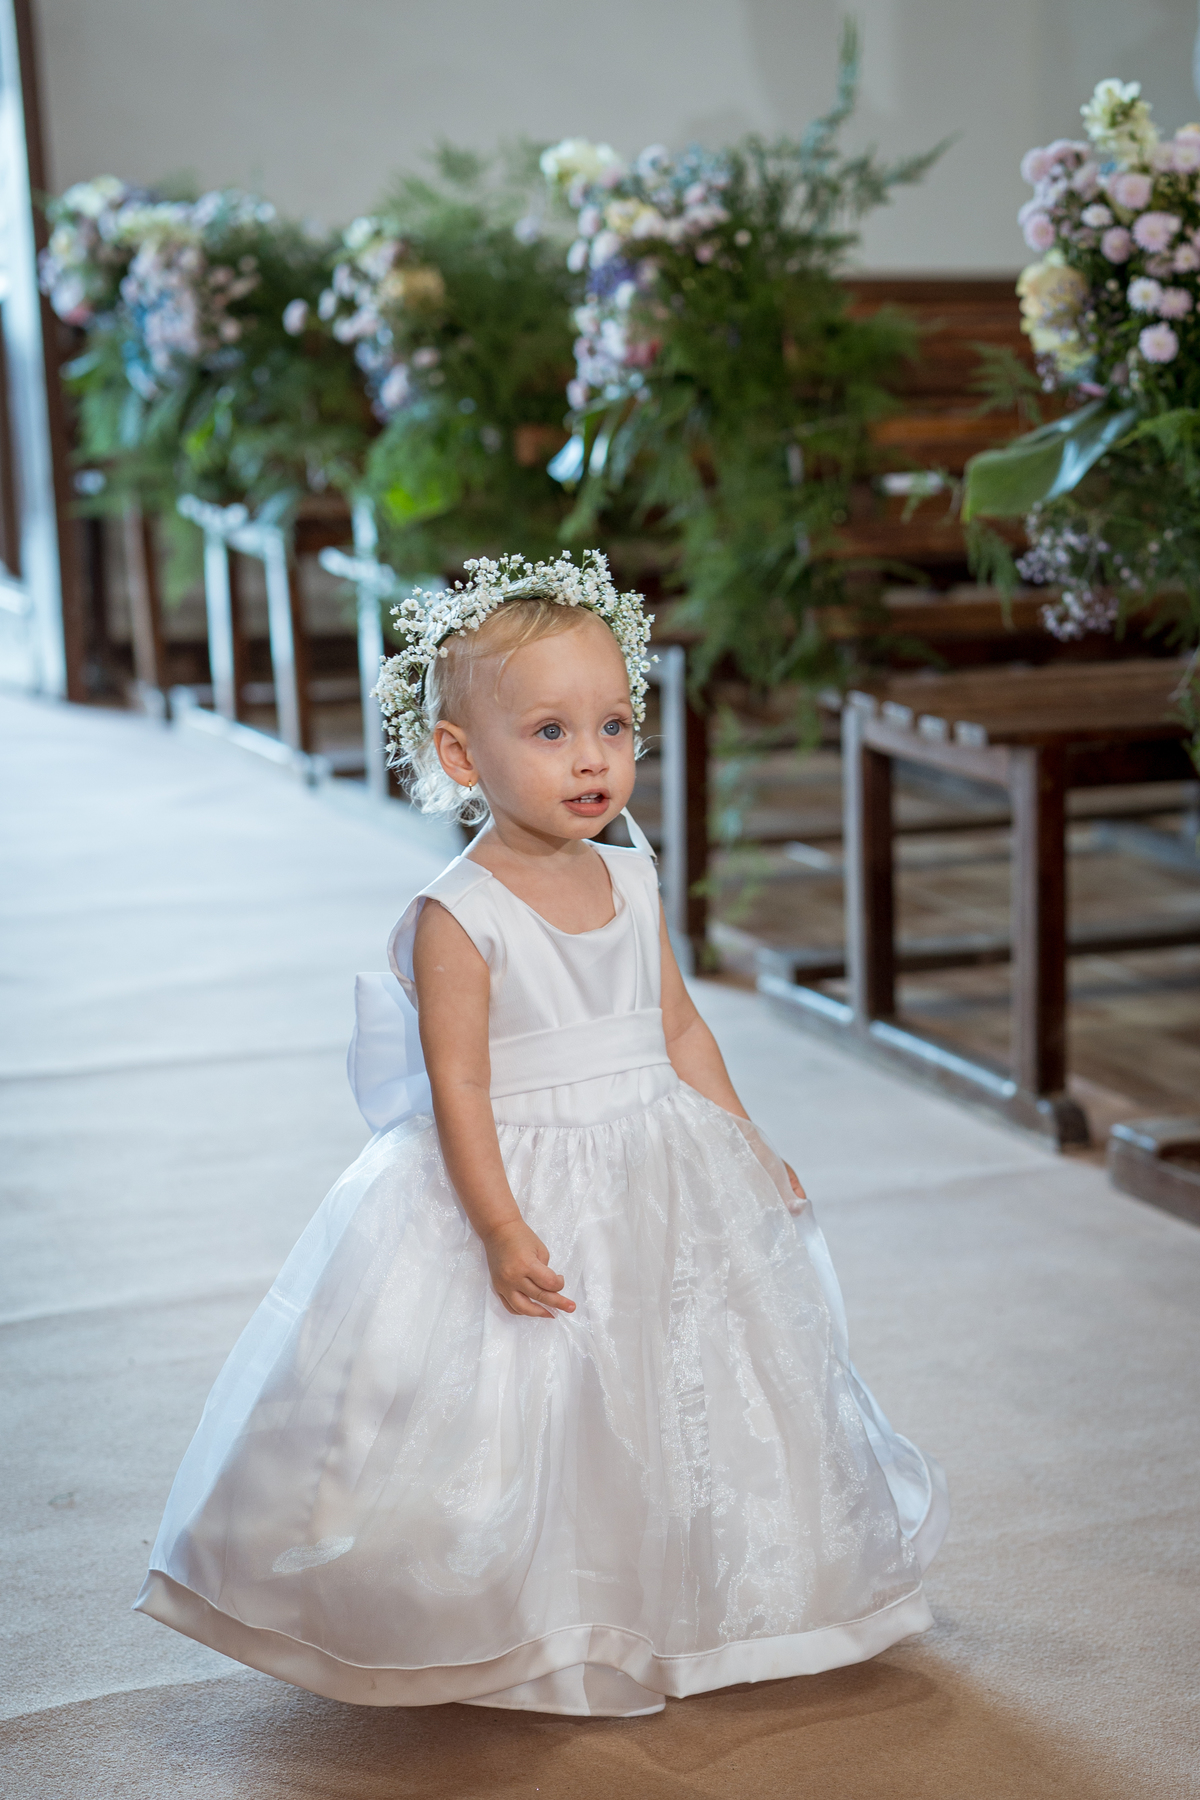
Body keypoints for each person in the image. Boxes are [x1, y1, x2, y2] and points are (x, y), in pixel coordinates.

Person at [134, 550, 947, 1718]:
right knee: (528, 1398)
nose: (593, 759)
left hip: (656, 1162)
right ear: (463, 756)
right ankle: (519, 1614)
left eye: (614, 725)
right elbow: (455, 1089)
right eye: (553, 731)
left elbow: (677, 1026)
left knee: (679, 1382)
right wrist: (503, 1224)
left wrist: (746, 1141)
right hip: (525, 1173)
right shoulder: (457, 916)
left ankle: (681, 1595)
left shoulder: (636, 876)